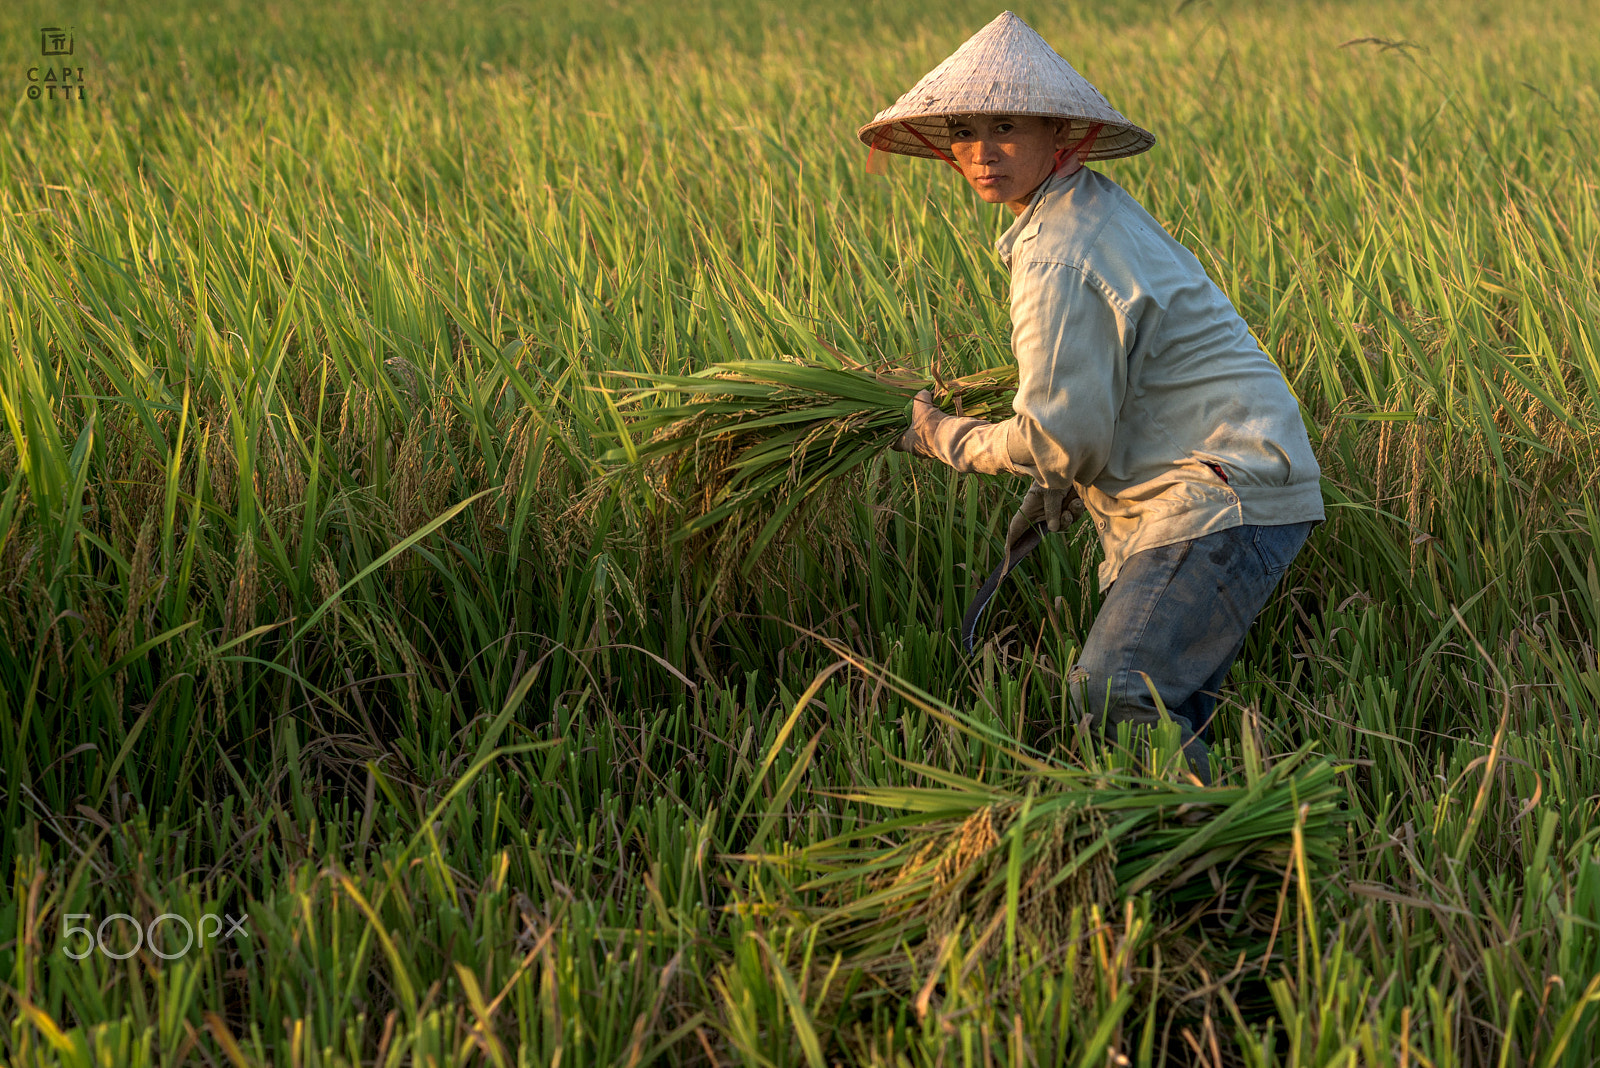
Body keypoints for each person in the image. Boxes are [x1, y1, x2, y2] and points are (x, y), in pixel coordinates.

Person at [865, 12, 1325, 785]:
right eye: (967, 133)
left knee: (1114, 694)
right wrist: (1065, 482)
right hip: (1238, 478)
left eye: (1007, 126)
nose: (983, 153)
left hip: (1216, 492)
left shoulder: (1057, 251)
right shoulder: (1088, 209)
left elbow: (1060, 437)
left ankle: (1232, 854)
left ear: (1061, 134)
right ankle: (1205, 874)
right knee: (1163, 709)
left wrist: (941, 435)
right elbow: (1110, 402)